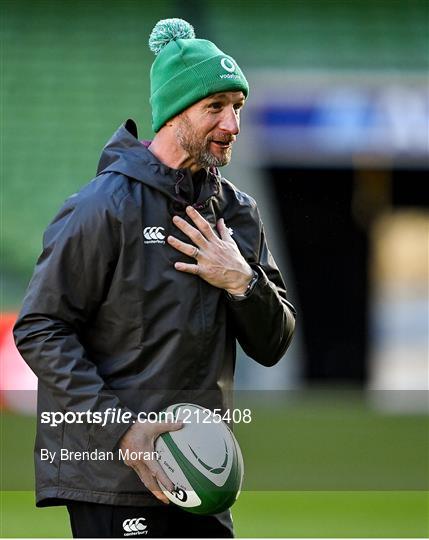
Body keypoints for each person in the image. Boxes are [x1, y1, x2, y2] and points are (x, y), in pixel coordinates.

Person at [13, 18, 296, 538]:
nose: (232, 124)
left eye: (237, 108)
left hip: (200, 472)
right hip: (114, 476)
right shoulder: (102, 207)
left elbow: (275, 341)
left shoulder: (239, 214)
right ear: (173, 113)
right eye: (215, 108)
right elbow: (40, 328)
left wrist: (242, 283)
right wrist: (124, 430)